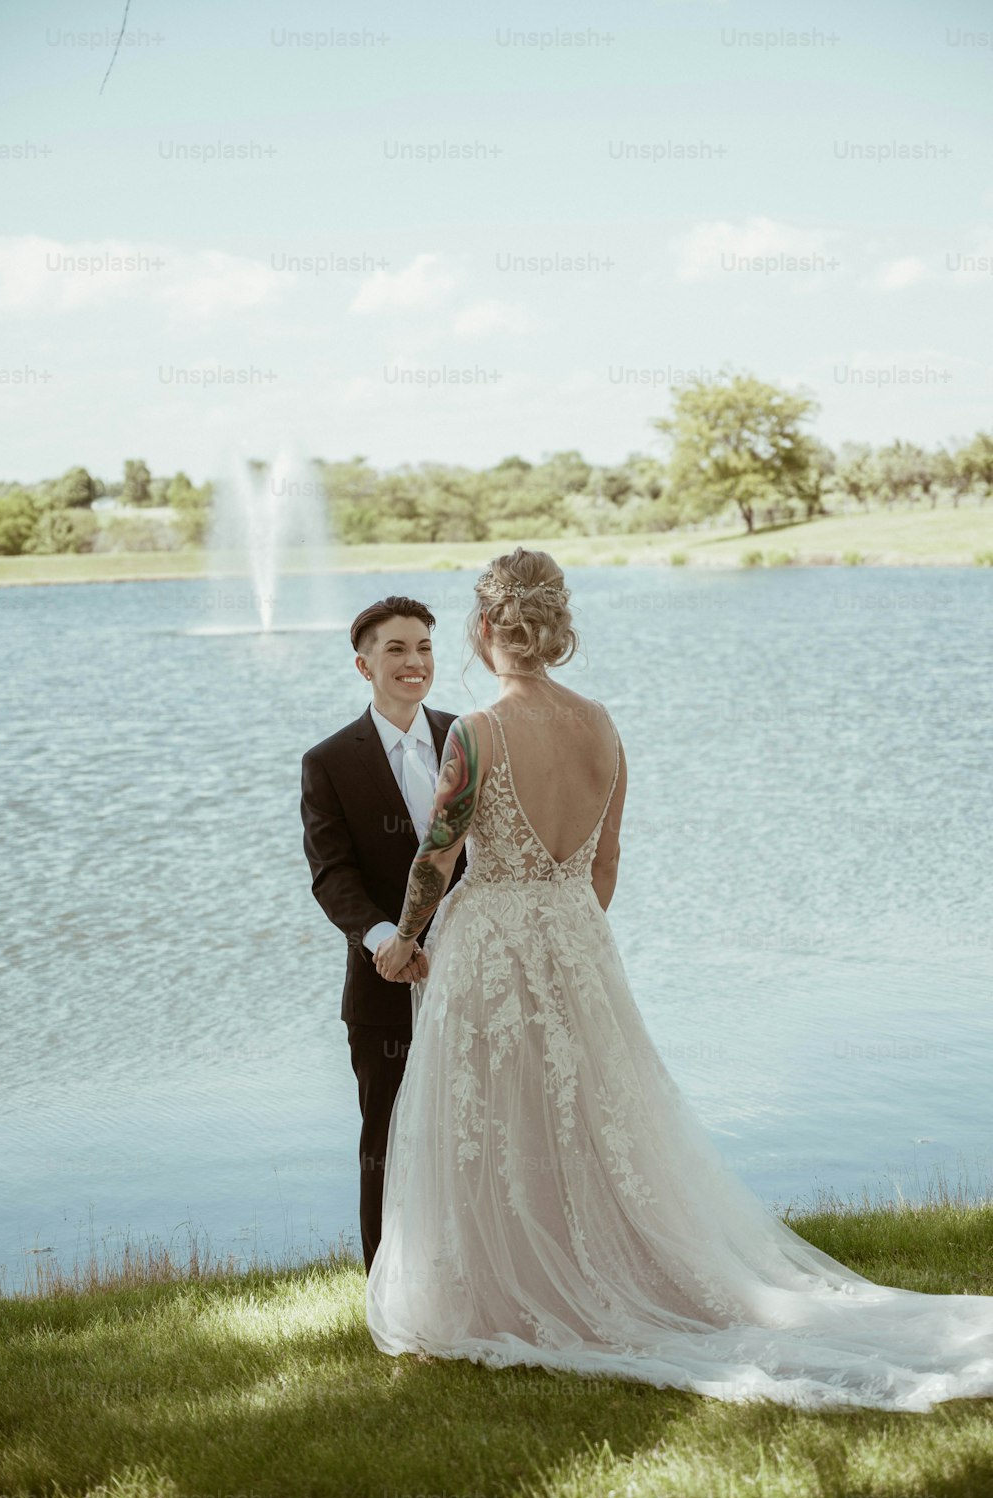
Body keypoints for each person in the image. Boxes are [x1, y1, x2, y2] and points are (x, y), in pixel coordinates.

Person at [364, 547, 993, 1412]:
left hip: (492, 942)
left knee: (498, 1112)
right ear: (556, 628)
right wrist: (566, 941)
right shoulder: (603, 725)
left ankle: (509, 1286)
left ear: (482, 628)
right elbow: (605, 863)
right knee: (587, 1115)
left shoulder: (474, 732)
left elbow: (436, 855)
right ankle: (577, 1265)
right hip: (577, 938)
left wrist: (404, 939)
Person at [300, 596, 468, 1272]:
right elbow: (331, 874)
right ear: (363, 664)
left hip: (474, 968)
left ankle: (475, 1274)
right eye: (396, 649)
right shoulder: (330, 761)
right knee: (388, 1138)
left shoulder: (470, 735)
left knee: (478, 1130)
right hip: (383, 988)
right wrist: (384, 942)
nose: (414, 661)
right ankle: (389, 1285)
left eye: (424, 646)